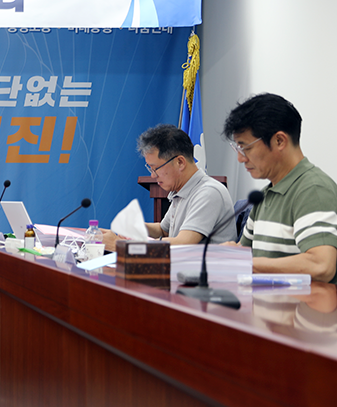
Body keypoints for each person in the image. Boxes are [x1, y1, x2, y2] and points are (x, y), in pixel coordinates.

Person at [223, 93, 337, 283]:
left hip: (301, 303)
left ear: (279, 141)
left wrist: (246, 262)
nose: (241, 158)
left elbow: (321, 265)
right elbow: (246, 254)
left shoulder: (313, 189)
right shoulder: (264, 196)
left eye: (245, 148)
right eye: (238, 149)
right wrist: (229, 253)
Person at [103, 124, 235, 248]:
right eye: (150, 169)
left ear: (180, 162)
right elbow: (163, 230)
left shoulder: (208, 193)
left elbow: (183, 243)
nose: (153, 176)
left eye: (155, 168)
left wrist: (121, 245)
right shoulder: (182, 190)